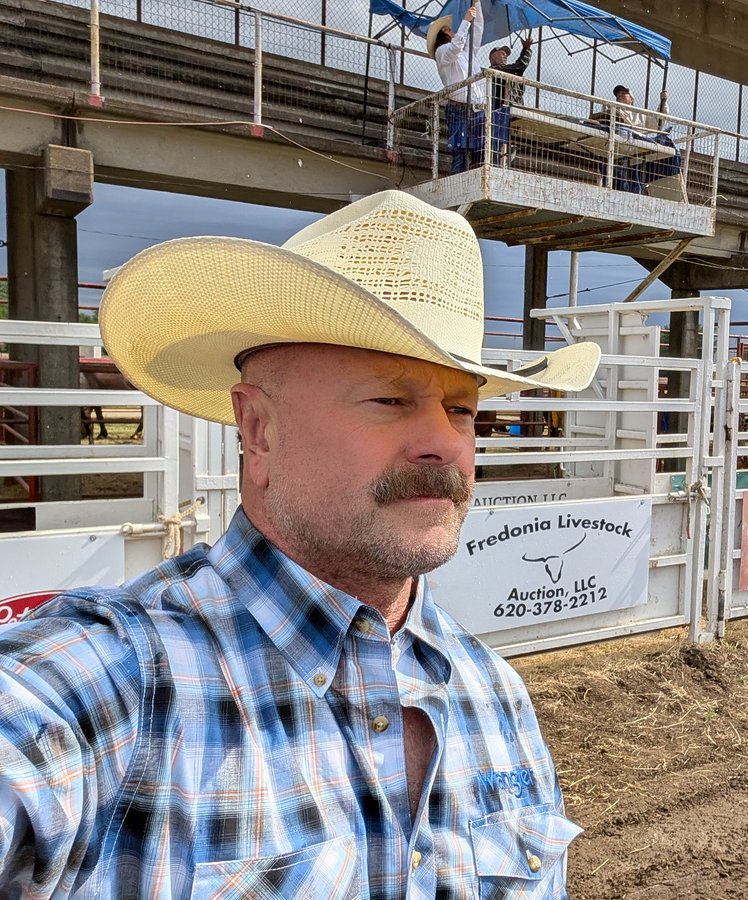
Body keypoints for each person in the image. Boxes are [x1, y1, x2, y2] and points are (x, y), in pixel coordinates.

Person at [0, 190, 601, 896]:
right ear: (258, 430)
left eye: (462, 409)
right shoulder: (119, 681)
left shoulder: (495, 695)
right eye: (390, 399)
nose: (446, 442)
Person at [430, 2, 486, 173]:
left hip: (476, 108)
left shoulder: (465, 52)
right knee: (460, 150)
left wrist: (477, 6)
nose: (452, 30)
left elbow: (477, 30)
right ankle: (458, 181)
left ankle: (474, 180)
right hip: (460, 108)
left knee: (480, 150)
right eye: (448, 29)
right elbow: (455, 47)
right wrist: (466, 21)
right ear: (445, 33)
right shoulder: (442, 51)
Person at [609, 85, 681, 194]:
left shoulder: (639, 114)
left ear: (631, 98)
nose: (620, 96)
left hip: (636, 152)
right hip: (619, 150)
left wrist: (663, 102)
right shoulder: (612, 110)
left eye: (624, 94)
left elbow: (658, 122)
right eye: (618, 95)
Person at [487, 35, 534, 165]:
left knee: (507, 146)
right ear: (493, 57)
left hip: (509, 115)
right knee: (498, 146)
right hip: (499, 114)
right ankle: (497, 166)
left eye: (505, 54)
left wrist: (526, 51)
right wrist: (526, 50)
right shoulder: (494, 70)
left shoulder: (508, 72)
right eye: (501, 53)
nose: (505, 56)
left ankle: (502, 165)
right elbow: (519, 66)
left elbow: (518, 68)